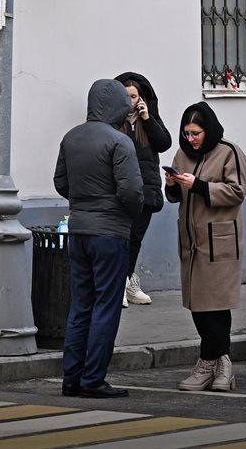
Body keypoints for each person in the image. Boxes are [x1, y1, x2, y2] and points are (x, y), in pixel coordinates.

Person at [53, 79, 144, 399]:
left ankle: (71, 378)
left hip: (78, 231)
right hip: (110, 232)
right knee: (106, 306)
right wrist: (128, 214)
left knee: (80, 306)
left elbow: (60, 183)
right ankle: (93, 379)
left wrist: (83, 201)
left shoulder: (71, 137)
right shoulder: (120, 142)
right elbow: (132, 191)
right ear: (120, 105)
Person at [165, 102, 246, 392]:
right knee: (198, 305)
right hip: (191, 241)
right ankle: (218, 364)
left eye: (196, 133)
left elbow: (237, 191)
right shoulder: (182, 154)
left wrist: (199, 185)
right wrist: (173, 184)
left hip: (219, 241)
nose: (191, 139)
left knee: (216, 305)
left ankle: (210, 363)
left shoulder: (229, 152)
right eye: (186, 133)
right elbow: (174, 197)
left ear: (208, 129)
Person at [114, 72, 172, 307]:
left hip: (146, 190)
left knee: (135, 238)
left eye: (134, 96)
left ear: (142, 98)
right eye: (126, 96)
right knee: (120, 238)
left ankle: (127, 282)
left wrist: (147, 118)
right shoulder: (114, 122)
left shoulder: (148, 119)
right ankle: (117, 285)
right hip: (121, 189)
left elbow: (164, 143)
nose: (130, 101)